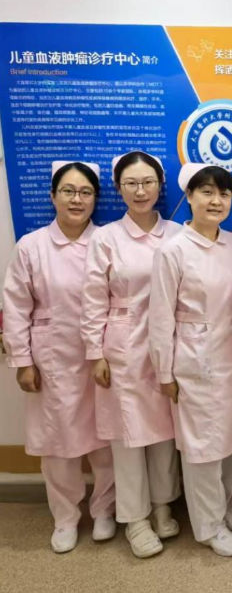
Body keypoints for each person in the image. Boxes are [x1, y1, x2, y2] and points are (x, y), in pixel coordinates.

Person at [2, 161, 116, 554]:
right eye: (68, 191)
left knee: (105, 437)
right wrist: (22, 361)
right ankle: (65, 517)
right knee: (57, 443)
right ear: (53, 196)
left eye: (85, 192)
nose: (77, 199)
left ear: (95, 199)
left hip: (102, 355)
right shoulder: (31, 246)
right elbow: (15, 306)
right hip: (51, 356)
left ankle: (105, 509)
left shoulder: (107, 241)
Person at [148, 163, 232, 558]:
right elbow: (160, 316)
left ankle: (223, 507)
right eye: (207, 192)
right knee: (204, 447)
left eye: (224, 194)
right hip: (195, 361)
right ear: (189, 197)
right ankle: (208, 526)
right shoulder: (173, 249)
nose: (216, 200)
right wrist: (164, 371)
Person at [82, 152, 181, 559]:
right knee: (128, 436)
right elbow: (92, 300)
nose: (140, 191)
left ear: (160, 185)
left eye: (148, 182)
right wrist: (95, 353)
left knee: (165, 433)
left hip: (169, 343)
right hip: (122, 344)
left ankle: (162, 506)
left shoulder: (177, 234)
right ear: (119, 188)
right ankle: (135, 519)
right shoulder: (106, 238)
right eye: (131, 183)